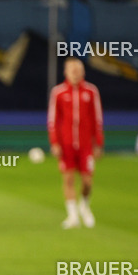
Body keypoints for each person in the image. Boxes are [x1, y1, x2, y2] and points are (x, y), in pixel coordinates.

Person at [48, 58, 103, 228]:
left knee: (87, 181)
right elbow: (53, 120)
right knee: (69, 179)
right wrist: (55, 142)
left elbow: (97, 119)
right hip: (66, 144)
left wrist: (98, 143)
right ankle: (72, 216)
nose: (75, 73)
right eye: (71, 70)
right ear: (65, 72)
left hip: (86, 144)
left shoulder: (91, 91)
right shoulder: (58, 92)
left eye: (77, 70)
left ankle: (84, 206)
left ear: (83, 72)